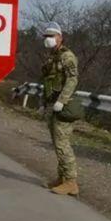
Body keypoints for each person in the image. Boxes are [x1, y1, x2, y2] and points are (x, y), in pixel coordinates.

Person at [41, 21, 80, 196]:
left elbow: (72, 79)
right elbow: (48, 82)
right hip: (52, 104)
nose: (48, 39)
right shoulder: (52, 57)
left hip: (64, 106)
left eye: (51, 36)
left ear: (60, 37)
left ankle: (71, 182)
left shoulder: (67, 56)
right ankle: (62, 178)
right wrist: (44, 104)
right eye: (46, 36)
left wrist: (62, 100)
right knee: (57, 143)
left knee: (63, 144)